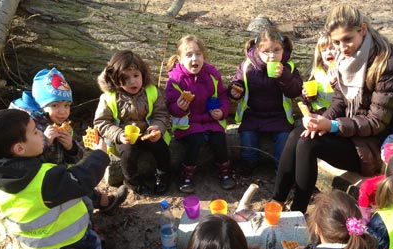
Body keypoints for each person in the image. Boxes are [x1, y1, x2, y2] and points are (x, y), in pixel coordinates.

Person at [273, 4, 393, 213]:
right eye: (336, 42)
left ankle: (297, 212)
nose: (342, 47)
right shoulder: (345, 56)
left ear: (362, 30)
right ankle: (276, 202)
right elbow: (340, 100)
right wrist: (321, 122)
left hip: (371, 145)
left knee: (308, 144)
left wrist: (333, 125)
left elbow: (376, 122)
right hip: (350, 131)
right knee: (299, 133)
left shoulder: (388, 63)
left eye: (347, 39)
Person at [0, 109, 113, 249]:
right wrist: (100, 155)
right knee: (92, 242)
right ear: (20, 148)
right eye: (35, 132)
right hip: (61, 234)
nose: (41, 133)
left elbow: (30, 164)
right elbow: (81, 179)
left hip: (30, 237)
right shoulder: (44, 179)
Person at [10, 67, 128, 215]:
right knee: (78, 193)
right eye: (55, 105)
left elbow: (76, 156)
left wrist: (70, 147)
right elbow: (27, 160)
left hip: (62, 174)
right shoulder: (31, 127)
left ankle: (104, 202)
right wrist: (46, 142)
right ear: (41, 105)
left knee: (76, 182)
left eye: (66, 105)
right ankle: (91, 220)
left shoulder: (60, 124)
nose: (62, 111)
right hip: (44, 184)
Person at [95, 50, 172, 196]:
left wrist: (157, 128)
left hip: (147, 132)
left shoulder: (151, 91)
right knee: (128, 153)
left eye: (136, 76)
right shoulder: (109, 98)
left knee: (161, 147)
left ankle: (163, 175)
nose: (132, 81)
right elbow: (101, 122)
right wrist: (118, 134)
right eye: (125, 78)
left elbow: (161, 114)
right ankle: (133, 181)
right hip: (125, 136)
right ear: (115, 79)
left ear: (142, 74)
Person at [165, 35, 235, 193]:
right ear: (180, 58)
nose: (194, 59)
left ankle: (224, 171)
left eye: (198, 54)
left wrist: (222, 111)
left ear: (204, 56)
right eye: (188, 55)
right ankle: (186, 175)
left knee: (219, 137)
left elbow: (223, 96)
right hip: (188, 122)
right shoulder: (175, 80)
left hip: (210, 119)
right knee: (194, 139)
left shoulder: (211, 74)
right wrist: (179, 107)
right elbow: (170, 106)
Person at [228, 26, 302, 177]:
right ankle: (248, 166)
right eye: (266, 51)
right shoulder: (248, 66)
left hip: (279, 116)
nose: (271, 56)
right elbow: (237, 83)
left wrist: (284, 76)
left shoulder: (289, 67)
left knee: (284, 140)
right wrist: (235, 90)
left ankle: (282, 170)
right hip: (253, 114)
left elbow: (295, 91)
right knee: (247, 138)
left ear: (283, 49)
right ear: (257, 50)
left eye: (276, 50)